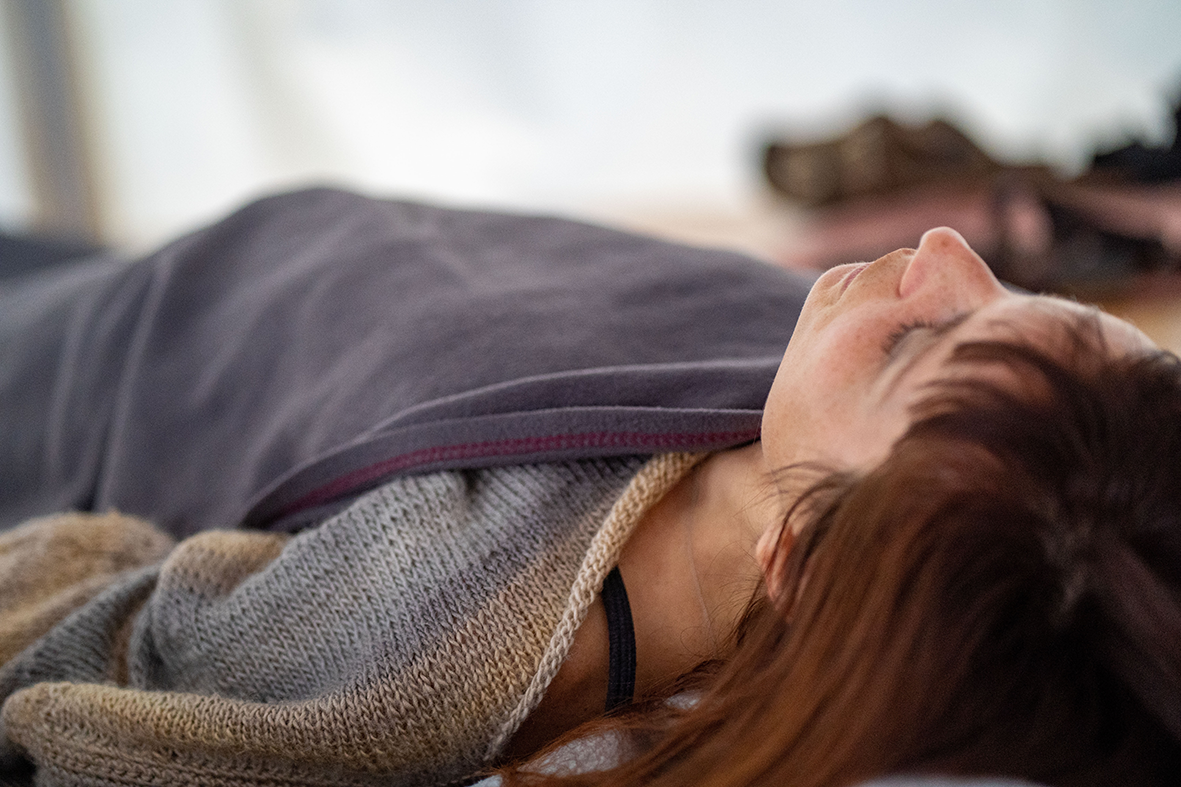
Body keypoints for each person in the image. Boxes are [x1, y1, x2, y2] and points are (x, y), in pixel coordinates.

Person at [0, 188, 1178, 787]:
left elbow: (70, 674)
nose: (941, 253)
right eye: (1035, 301)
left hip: (115, 354)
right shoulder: (888, 455)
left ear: (796, 564)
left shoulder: (426, 636)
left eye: (914, 343)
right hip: (262, 255)